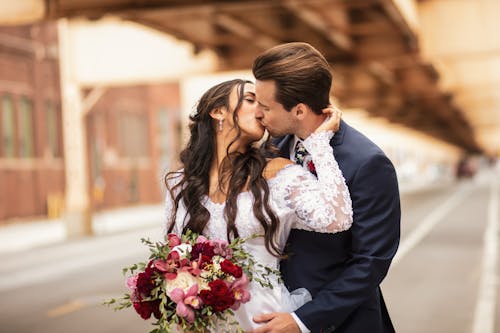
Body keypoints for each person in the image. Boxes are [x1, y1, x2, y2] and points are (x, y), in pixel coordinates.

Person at [164, 78, 353, 331]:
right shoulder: (181, 182)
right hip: (205, 324)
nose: (261, 110)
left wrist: (319, 144)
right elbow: (173, 255)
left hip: (264, 320)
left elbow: (337, 218)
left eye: (264, 104)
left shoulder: (276, 174)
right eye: (251, 100)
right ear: (218, 111)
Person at [251, 42, 401, 333]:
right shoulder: (270, 150)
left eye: (265, 107)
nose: (258, 114)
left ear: (299, 110)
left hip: (344, 323)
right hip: (274, 314)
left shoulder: (368, 163)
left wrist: (302, 320)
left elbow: (371, 263)